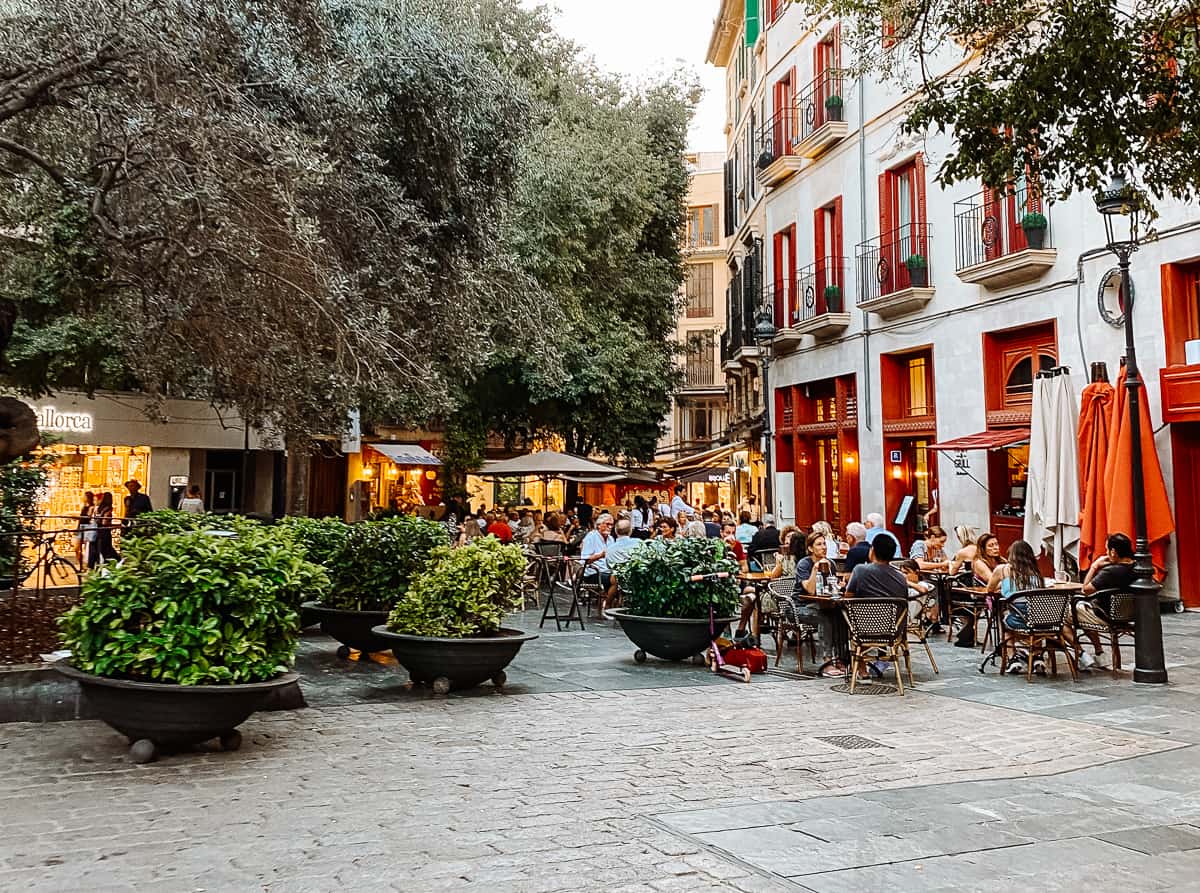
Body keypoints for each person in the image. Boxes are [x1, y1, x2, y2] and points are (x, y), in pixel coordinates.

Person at [1074, 532, 1137, 669]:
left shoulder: (1110, 572)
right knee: (1082, 608)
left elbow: (1085, 589)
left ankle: (1085, 654)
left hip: (1106, 616)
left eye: (1107, 550)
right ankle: (1098, 653)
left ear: (1113, 552)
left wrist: (1094, 566)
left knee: (1068, 612)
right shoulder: (1138, 568)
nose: (1106, 553)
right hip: (1128, 614)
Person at [986, 539, 1046, 675]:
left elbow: (989, 589)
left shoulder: (1002, 570)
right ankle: (1037, 656)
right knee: (1033, 614)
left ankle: (1013, 658)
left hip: (1019, 620)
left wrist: (1004, 587)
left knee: (1004, 621)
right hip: (1042, 622)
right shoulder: (1036, 573)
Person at [845, 535, 908, 600]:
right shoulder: (902, 578)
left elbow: (848, 597)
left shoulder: (859, 570)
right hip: (893, 610)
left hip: (864, 610)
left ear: (872, 550)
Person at [580, 513, 615, 605]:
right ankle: (607, 605)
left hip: (608, 570)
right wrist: (600, 555)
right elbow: (585, 560)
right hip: (593, 572)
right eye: (607, 524)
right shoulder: (591, 537)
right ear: (599, 525)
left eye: (612, 525)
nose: (610, 527)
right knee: (615, 579)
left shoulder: (611, 539)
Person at [88, 492, 119, 568]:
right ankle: (112, 563)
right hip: (105, 532)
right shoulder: (108, 509)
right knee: (107, 550)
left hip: (97, 532)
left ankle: (96, 566)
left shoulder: (99, 508)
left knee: (100, 550)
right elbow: (105, 522)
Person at [73, 491, 95, 566]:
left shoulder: (92, 507)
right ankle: (80, 563)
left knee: (87, 549)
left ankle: (86, 565)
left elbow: (88, 517)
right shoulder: (84, 506)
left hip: (87, 528)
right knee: (76, 547)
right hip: (80, 527)